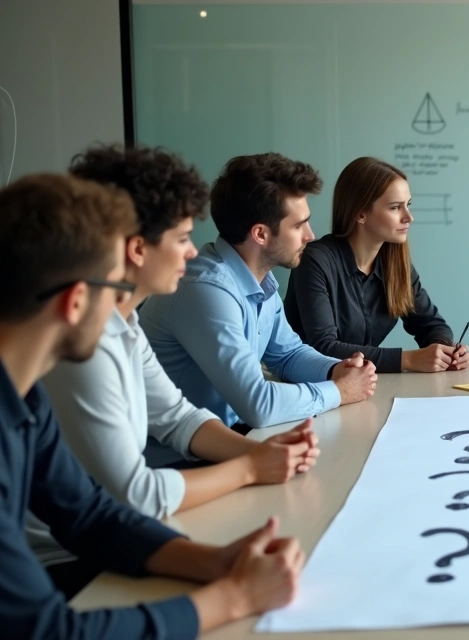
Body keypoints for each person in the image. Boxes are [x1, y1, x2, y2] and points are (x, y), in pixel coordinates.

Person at [0, 173, 304, 637]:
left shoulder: (27, 398)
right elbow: (47, 630)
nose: (124, 310)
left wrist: (216, 562)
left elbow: (88, 514)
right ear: (77, 301)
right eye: (115, 286)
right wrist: (235, 596)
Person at [140, 153, 377, 433]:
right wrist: (339, 391)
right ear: (261, 235)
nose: (310, 236)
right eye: (299, 225)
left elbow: (288, 354)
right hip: (182, 463)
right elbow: (259, 405)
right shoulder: (206, 290)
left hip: (230, 441)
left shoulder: (258, 278)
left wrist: (337, 370)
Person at [284, 157, 469, 373]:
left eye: (407, 206)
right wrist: (407, 360)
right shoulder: (314, 260)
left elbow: (432, 325)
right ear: (361, 213)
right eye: (395, 208)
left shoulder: (396, 264)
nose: (409, 217)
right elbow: (323, 348)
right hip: (310, 386)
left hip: (362, 386)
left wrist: (446, 351)